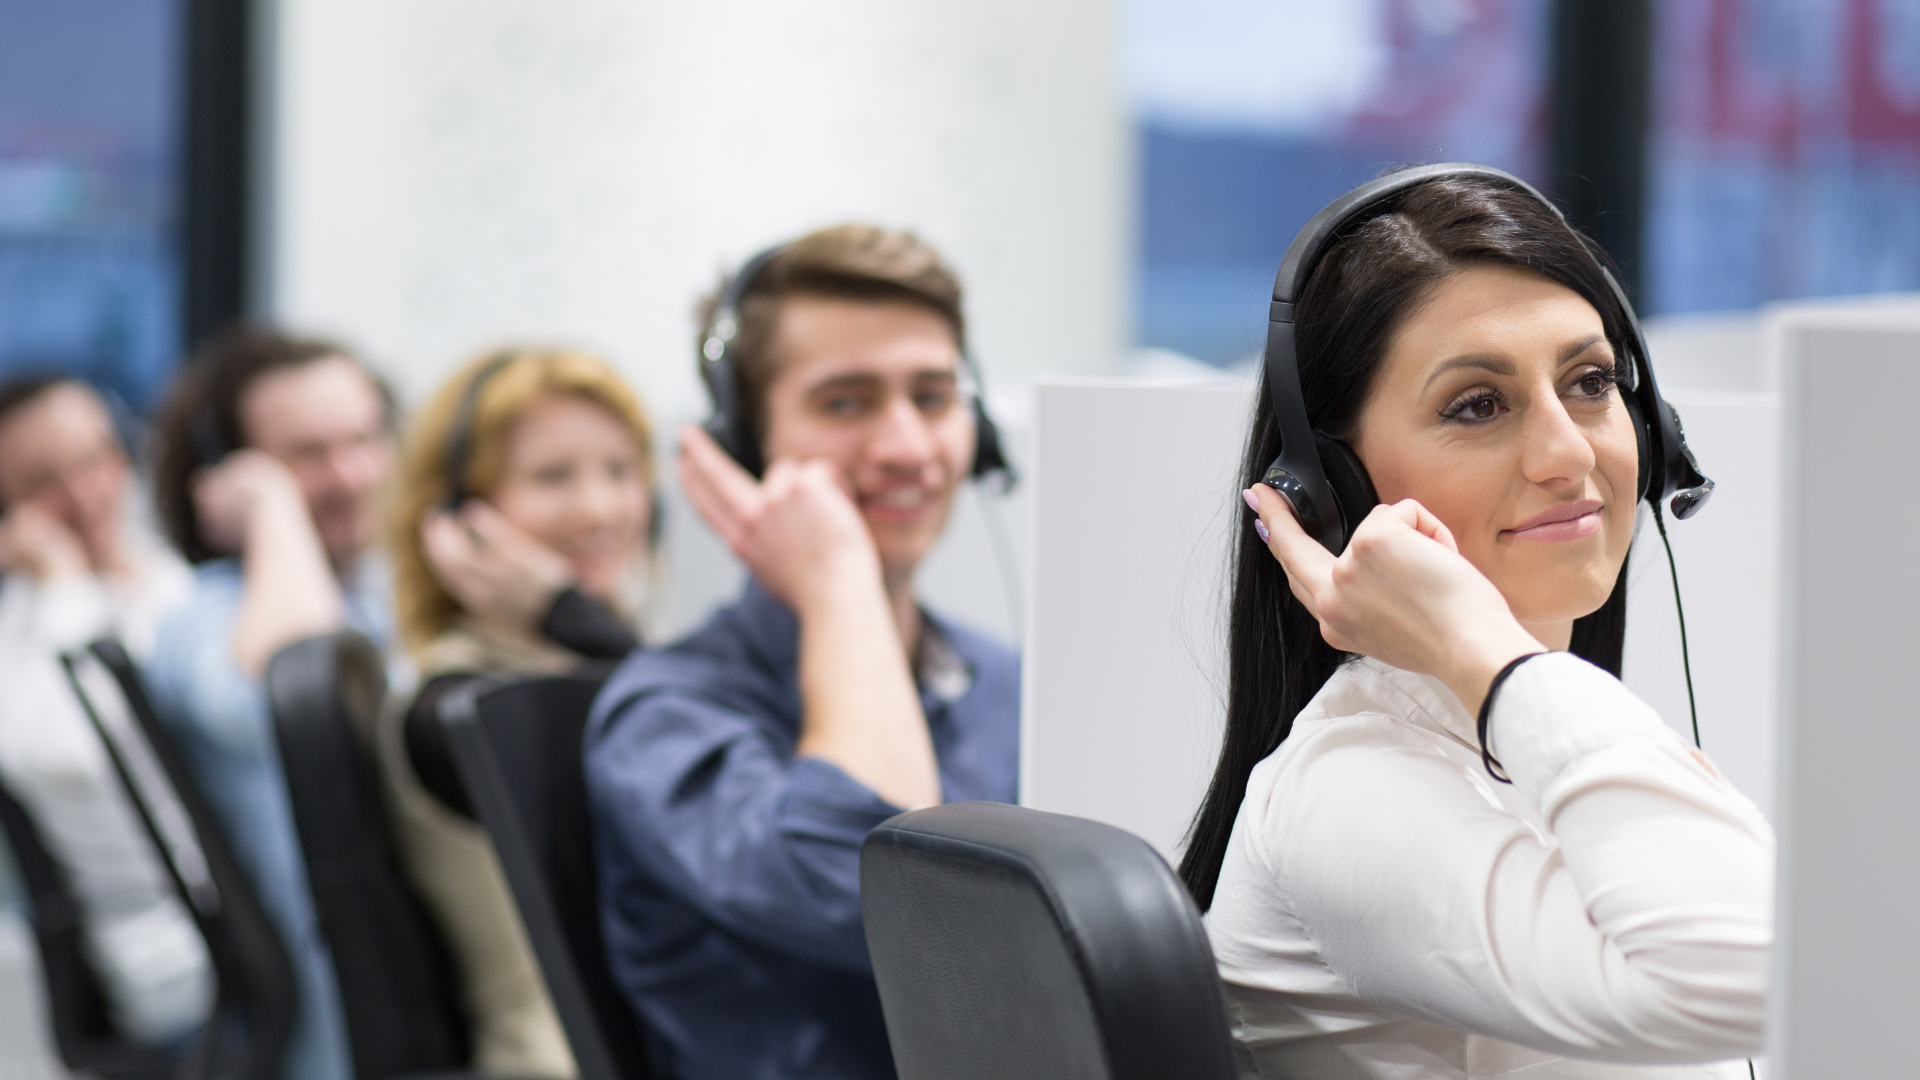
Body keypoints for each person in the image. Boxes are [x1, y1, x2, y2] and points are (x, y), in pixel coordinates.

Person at [1185, 172, 1773, 1079]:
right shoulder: (1347, 793)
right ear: (1334, 492)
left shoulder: (1530, 744)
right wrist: (1481, 648)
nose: (1569, 453)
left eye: (1590, 382)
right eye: (1477, 405)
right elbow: (1753, 972)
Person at [585, 225, 1021, 1080]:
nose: (906, 446)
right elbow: (894, 908)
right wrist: (835, 585)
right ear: (748, 446)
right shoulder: (663, 718)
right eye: (846, 403)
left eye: (932, 397)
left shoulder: (1002, 679)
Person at [379, 347, 657, 1078]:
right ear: (456, 516)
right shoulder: (456, 706)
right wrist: (568, 613)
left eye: (620, 471)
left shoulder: (589, 670)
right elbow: (675, 735)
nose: (600, 507)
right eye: (552, 477)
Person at [144, 327, 398, 1080]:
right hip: (346, 1034)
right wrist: (271, 512)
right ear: (227, 474)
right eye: (306, 455)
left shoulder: (374, 596)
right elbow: (289, 702)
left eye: (364, 439)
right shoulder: (205, 616)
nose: (350, 475)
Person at [0, 375, 212, 1046]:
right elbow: (87, 753)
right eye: (44, 482)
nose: (86, 496)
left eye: (94, 460)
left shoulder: (171, 584)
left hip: (249, 929)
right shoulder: (22, 637)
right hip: (171, 963)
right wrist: (61, 579)